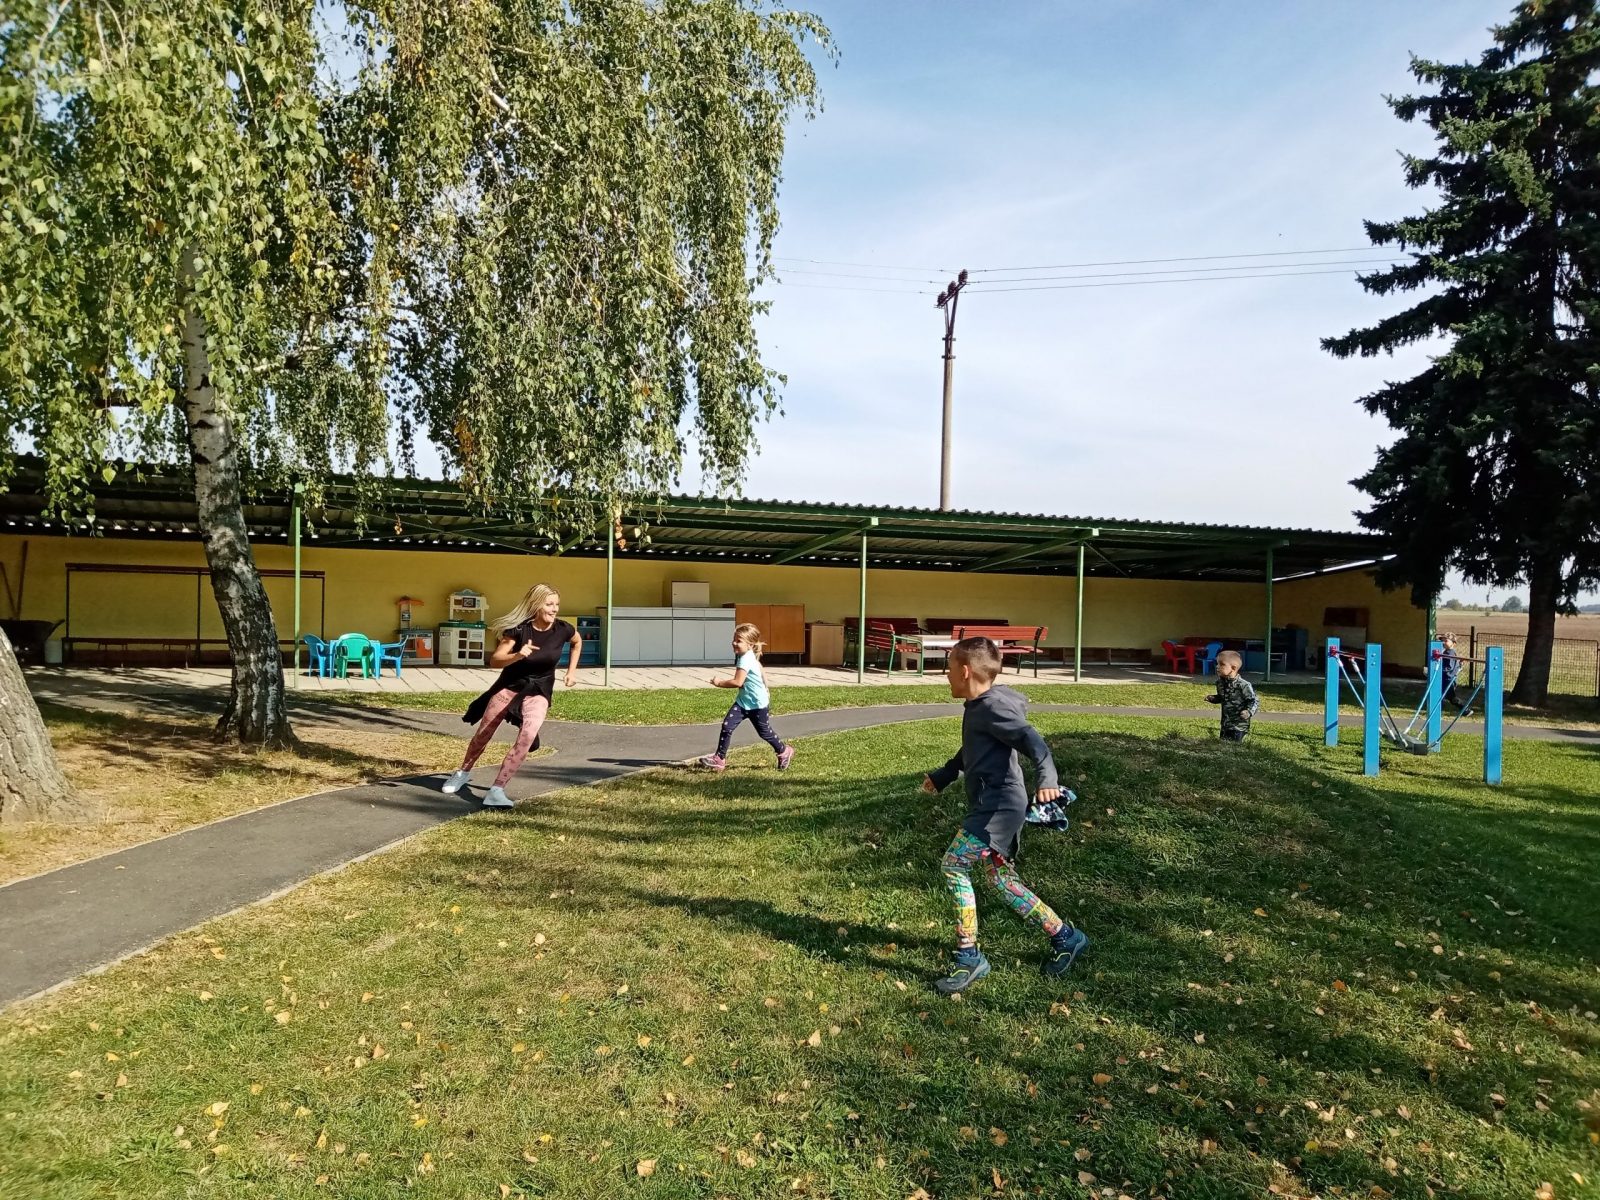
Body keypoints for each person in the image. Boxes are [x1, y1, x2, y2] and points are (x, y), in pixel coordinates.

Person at [920, 636, 1088, 995]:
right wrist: (946, 774)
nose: (946, 675)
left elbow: (1031, 740)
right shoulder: (981, 705)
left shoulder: (994, 707)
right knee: (1001, 881)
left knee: (953, 865)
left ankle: (969, 957)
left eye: (949, 668)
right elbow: (974, 746)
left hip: (999, 807)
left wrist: (1048, 778)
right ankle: (1065, 936)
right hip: (995, 803)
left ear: (965, 671)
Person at [441, 584, 579, 808]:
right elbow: (495, 660)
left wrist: (571, 672)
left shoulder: (564, 629)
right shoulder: (519, 630)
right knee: (483, 733)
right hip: (509, 687)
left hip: (539, 690)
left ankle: (496, 790)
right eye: (549, 604)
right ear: (536, 605)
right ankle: (462, 772)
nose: (554, 609)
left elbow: (577, 642)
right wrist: (517, 655)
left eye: (557, 604)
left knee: (528, 735)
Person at [699, 622, 794, 772]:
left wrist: (719, 683)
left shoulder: (745, 659)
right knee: (727, 726)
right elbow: (759, 667)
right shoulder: (746, 655)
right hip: (743, 702)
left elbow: (738, 682)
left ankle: (784, 751)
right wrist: (765, 685)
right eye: (734, 639)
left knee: (764, 732)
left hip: (757, 705)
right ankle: (719, 759)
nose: (734, 643)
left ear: (750, 645)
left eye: (738, 641)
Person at [1205, 649, 1259, 742]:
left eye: (1221, 664)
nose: (1217, 667)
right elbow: (1222, 698)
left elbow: (1254, 701)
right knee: (1223, 745)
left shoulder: (1244, 685)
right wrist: (1213, 698)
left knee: (1235, 747)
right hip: (1225, 724)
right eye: (1217, 664)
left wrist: (1248, 712)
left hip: (1239, 725)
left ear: (1233, 668)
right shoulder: (1220, 683)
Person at [1439, 631, 1468, 712]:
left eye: (1446, 641)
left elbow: (1449, 667)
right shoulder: (1446, 652)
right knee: (1446, 696)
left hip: (1448, 679)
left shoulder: (1449, 653)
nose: (1443, 642)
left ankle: (1465, 710)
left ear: (1453, 643)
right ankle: (1465, 710)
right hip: (1447, 678)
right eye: (1442, 641)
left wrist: (1438, 670)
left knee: (1451, 697)